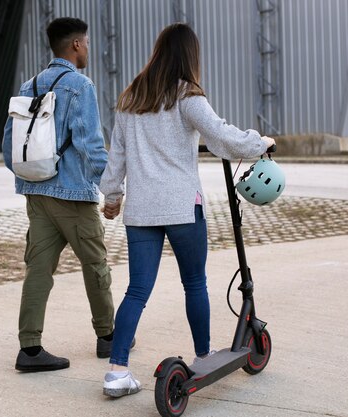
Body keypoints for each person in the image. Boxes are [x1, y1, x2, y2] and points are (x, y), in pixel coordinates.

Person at [99, 23, 276, 397]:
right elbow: (222, 135)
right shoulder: (187, 95)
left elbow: (118, 155)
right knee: (194, 283)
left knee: (137, 290)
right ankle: (203, 355)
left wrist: (112, 197)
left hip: (143, 210)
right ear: (190, 56)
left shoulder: (131, 97)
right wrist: (261, 142)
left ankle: (116, 372)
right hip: (182, 207)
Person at [2, 17, 116, 372]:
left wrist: (32, 178)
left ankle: (30, 350)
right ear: (77, 45)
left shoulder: (27, 85)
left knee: (38, 270)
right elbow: (91, 145)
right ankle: (108, 337)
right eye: (87, 42)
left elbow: (9, 148)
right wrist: (112, 189)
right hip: (72, 196)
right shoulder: (80, 86)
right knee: (95, 263)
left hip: (35, 195)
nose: (88, 49)